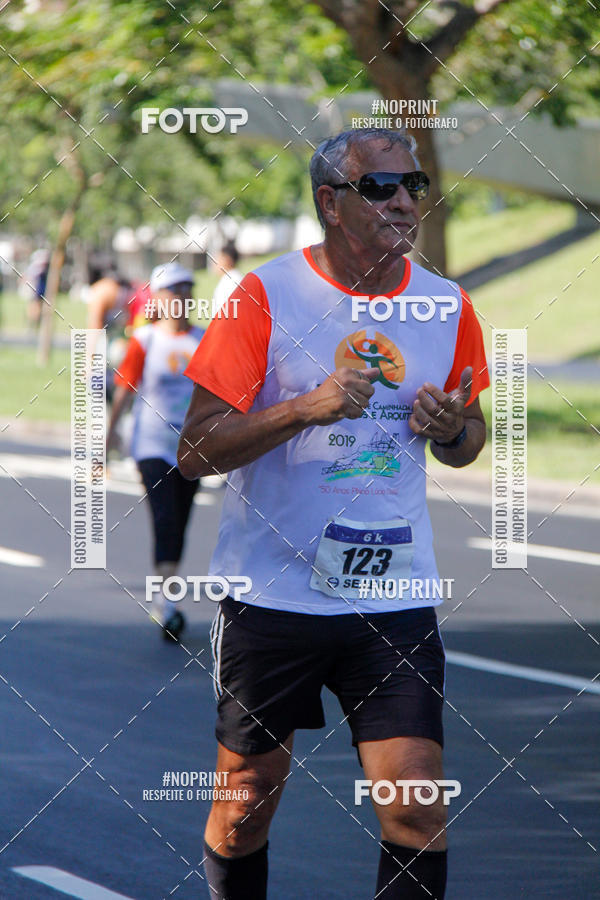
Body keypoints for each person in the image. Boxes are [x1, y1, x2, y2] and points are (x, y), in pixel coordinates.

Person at [178, 127, 489, 899]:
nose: (405, 202)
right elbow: (195, 452)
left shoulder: (447, 305)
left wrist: (452, 428)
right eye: (382, 187)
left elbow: (470, 439)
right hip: (272, 596)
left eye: (415, 185)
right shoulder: (265, 294)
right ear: (332, 202)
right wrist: (304, 408)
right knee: (245, 806)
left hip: (395, 595)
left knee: (417, 804)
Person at [107, 262, 205, 641]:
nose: (181, 297)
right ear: (159, 299)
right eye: (173, 290)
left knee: (180, 521)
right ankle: (168, 602)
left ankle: (166, 592)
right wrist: (109, 435)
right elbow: (125, 388)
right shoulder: (145, 339)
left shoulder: (204, 337)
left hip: (193, 447)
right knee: (164, 518)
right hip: (151, 444)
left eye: (187, 289)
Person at [211, 242, 243, 312]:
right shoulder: (230, 279)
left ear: (227, 260)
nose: (214, 262)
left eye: (218, 258)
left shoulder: (232, 281)